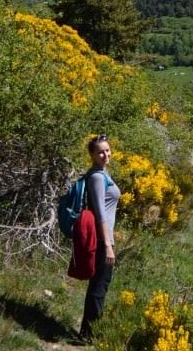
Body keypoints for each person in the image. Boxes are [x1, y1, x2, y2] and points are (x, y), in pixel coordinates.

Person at [80, 134, 120, 341]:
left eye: (107, 150)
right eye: (100, 152)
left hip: (107, 238)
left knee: (100, 284)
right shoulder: (96, 177)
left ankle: (88, 332)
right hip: (103, 240)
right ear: (92, 155)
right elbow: (100, 214)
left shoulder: (103, 174)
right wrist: (108, 245)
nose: (105, 154)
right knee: (99, 286)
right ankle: (89, 335)